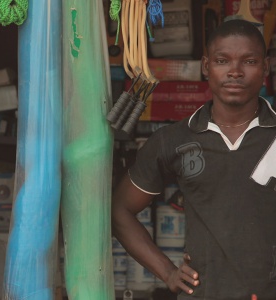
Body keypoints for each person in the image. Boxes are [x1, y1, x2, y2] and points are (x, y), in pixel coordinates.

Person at [111, 19, 276, 300]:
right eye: (223, 60)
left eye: (249, 61)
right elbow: (120, 211)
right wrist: (167, 271)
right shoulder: (173, 140)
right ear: (206, 66)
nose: (235, 72)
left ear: (265, 68)